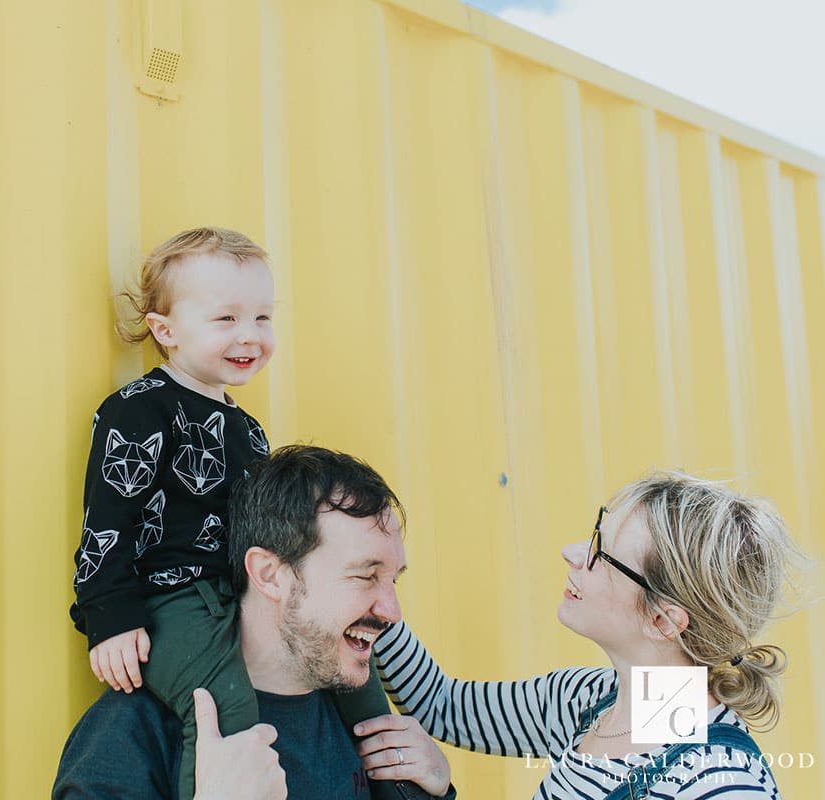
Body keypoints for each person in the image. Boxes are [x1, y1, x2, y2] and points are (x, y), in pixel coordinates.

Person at [69, 229, 395, 800]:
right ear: (165, 331)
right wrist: (110, 616)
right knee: (223, 705)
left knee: (363, 693)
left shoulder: (247, 430)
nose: (249, 336)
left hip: (236, 591)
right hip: (173, 601)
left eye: (262, 318)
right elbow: (108, 519)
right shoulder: (140, 411)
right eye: (226, 320)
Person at [55, 445, 457, 799]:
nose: (392, 611)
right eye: (365, 576)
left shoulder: (364, 725)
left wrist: (435, 791)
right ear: (268, 574)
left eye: (393, 579)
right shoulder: (134, 735)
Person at [373, 471, 803, 798]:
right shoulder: (587, 700)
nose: (573, 553)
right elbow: (444, 706)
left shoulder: (720, 784)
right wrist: (373, 595)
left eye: (603, 552)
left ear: (663, 622)